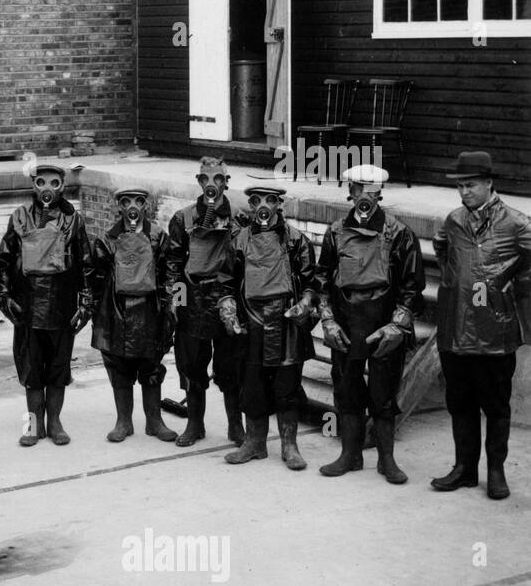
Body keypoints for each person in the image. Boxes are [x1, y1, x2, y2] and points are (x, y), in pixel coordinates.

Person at [316, 164, 426, 484]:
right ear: (349, 192)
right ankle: (350, 455)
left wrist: (398, 325)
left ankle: (387, 460)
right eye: (357, 188)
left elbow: (412, 286)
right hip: (346, 322)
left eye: (370, 189)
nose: (364, 195)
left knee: (384, 391)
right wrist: (328, 320)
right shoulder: (335, 232)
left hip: (384, 321)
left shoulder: (400, 233)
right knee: (347, 388)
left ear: (380, 193)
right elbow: (322, 279)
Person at [430, 151, 531, 500]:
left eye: (470, 185)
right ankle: (464, 469)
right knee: (460, 403)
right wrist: (457, 283)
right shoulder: (454, 221)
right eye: (459, 186)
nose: (463, 192)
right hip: (456, 331)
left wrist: (506, 288)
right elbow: (442, 248)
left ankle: (496, 471)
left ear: (489, 183)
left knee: (496, 406)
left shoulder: (516, 223)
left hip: (494, 334)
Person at [218, 185, 320, 470]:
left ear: (279, 205)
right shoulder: (238, 241)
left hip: (286, 324)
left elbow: (312, 283)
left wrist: (305, 304)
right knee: (252, 386)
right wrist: (228, 311)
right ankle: (254, 442)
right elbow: (225, 281)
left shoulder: (296, 240)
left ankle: (290, 445)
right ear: (250, 205)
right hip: (251, 323)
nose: (263, 205)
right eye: (257, 200)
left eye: (270, 200)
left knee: (287, 387)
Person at [0, 161, 92, 446]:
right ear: (33, 186)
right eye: (41, 182)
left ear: (62, 187)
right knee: (31, 370)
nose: (47, 189)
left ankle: (56, 422)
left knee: (58, 368)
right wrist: (4, 296)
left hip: (60, 307)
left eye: (54, 183)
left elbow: (86, 263)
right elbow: (3, 260)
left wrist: (85, 302)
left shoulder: (73, 220)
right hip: (28, 307)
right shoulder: (20, 217)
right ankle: (33, 424)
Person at [165, 157, 245, 447]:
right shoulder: (183, 218)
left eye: (218, 179)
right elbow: (173, 262)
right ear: (199, 182)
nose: (212, 185)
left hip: (225, 297)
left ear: (226, 181)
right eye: (206, 179)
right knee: (192, 366)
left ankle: (236, 426)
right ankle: (195, 424)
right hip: (193, 298)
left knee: (231, 366)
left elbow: (246, 259)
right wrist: (177, 301)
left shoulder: (240, 216)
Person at [89, 186, 179, 443]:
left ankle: (154, 421)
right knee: (119, 367)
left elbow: (174, 275)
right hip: (116, 313)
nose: (133, 208)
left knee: (151, 366)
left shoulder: (160, 237)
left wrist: (175, 307)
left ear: (146, 206)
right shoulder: (106, 240)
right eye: (126, 202)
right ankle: (123, 422)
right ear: (118, 207)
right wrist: (96, 313)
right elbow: (95, 279)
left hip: (151, 312)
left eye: (138, 202)